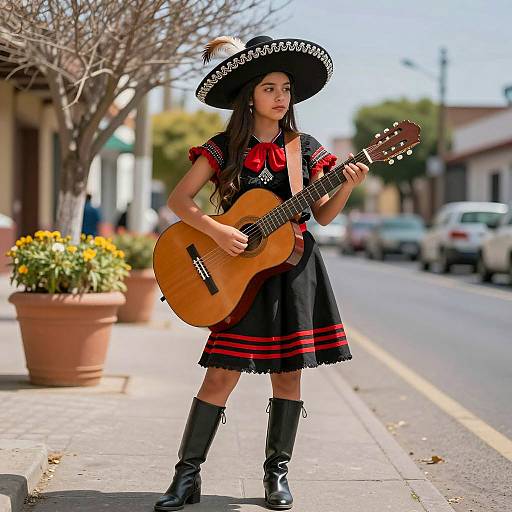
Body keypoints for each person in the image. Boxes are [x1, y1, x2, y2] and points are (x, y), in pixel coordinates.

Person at [154, 35, 368, 512]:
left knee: (289, 379)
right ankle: (186, 478)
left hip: (293, 273)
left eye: (286, 88)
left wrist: (350, 184)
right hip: (232, 277)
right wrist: (218, 231)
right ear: (249, 93)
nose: (280, 96)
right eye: (270, 87)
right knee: (218, 379)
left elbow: (326, 217)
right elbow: (178, 202)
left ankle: (277, 477)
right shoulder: (221, 147)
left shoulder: (304, 149)